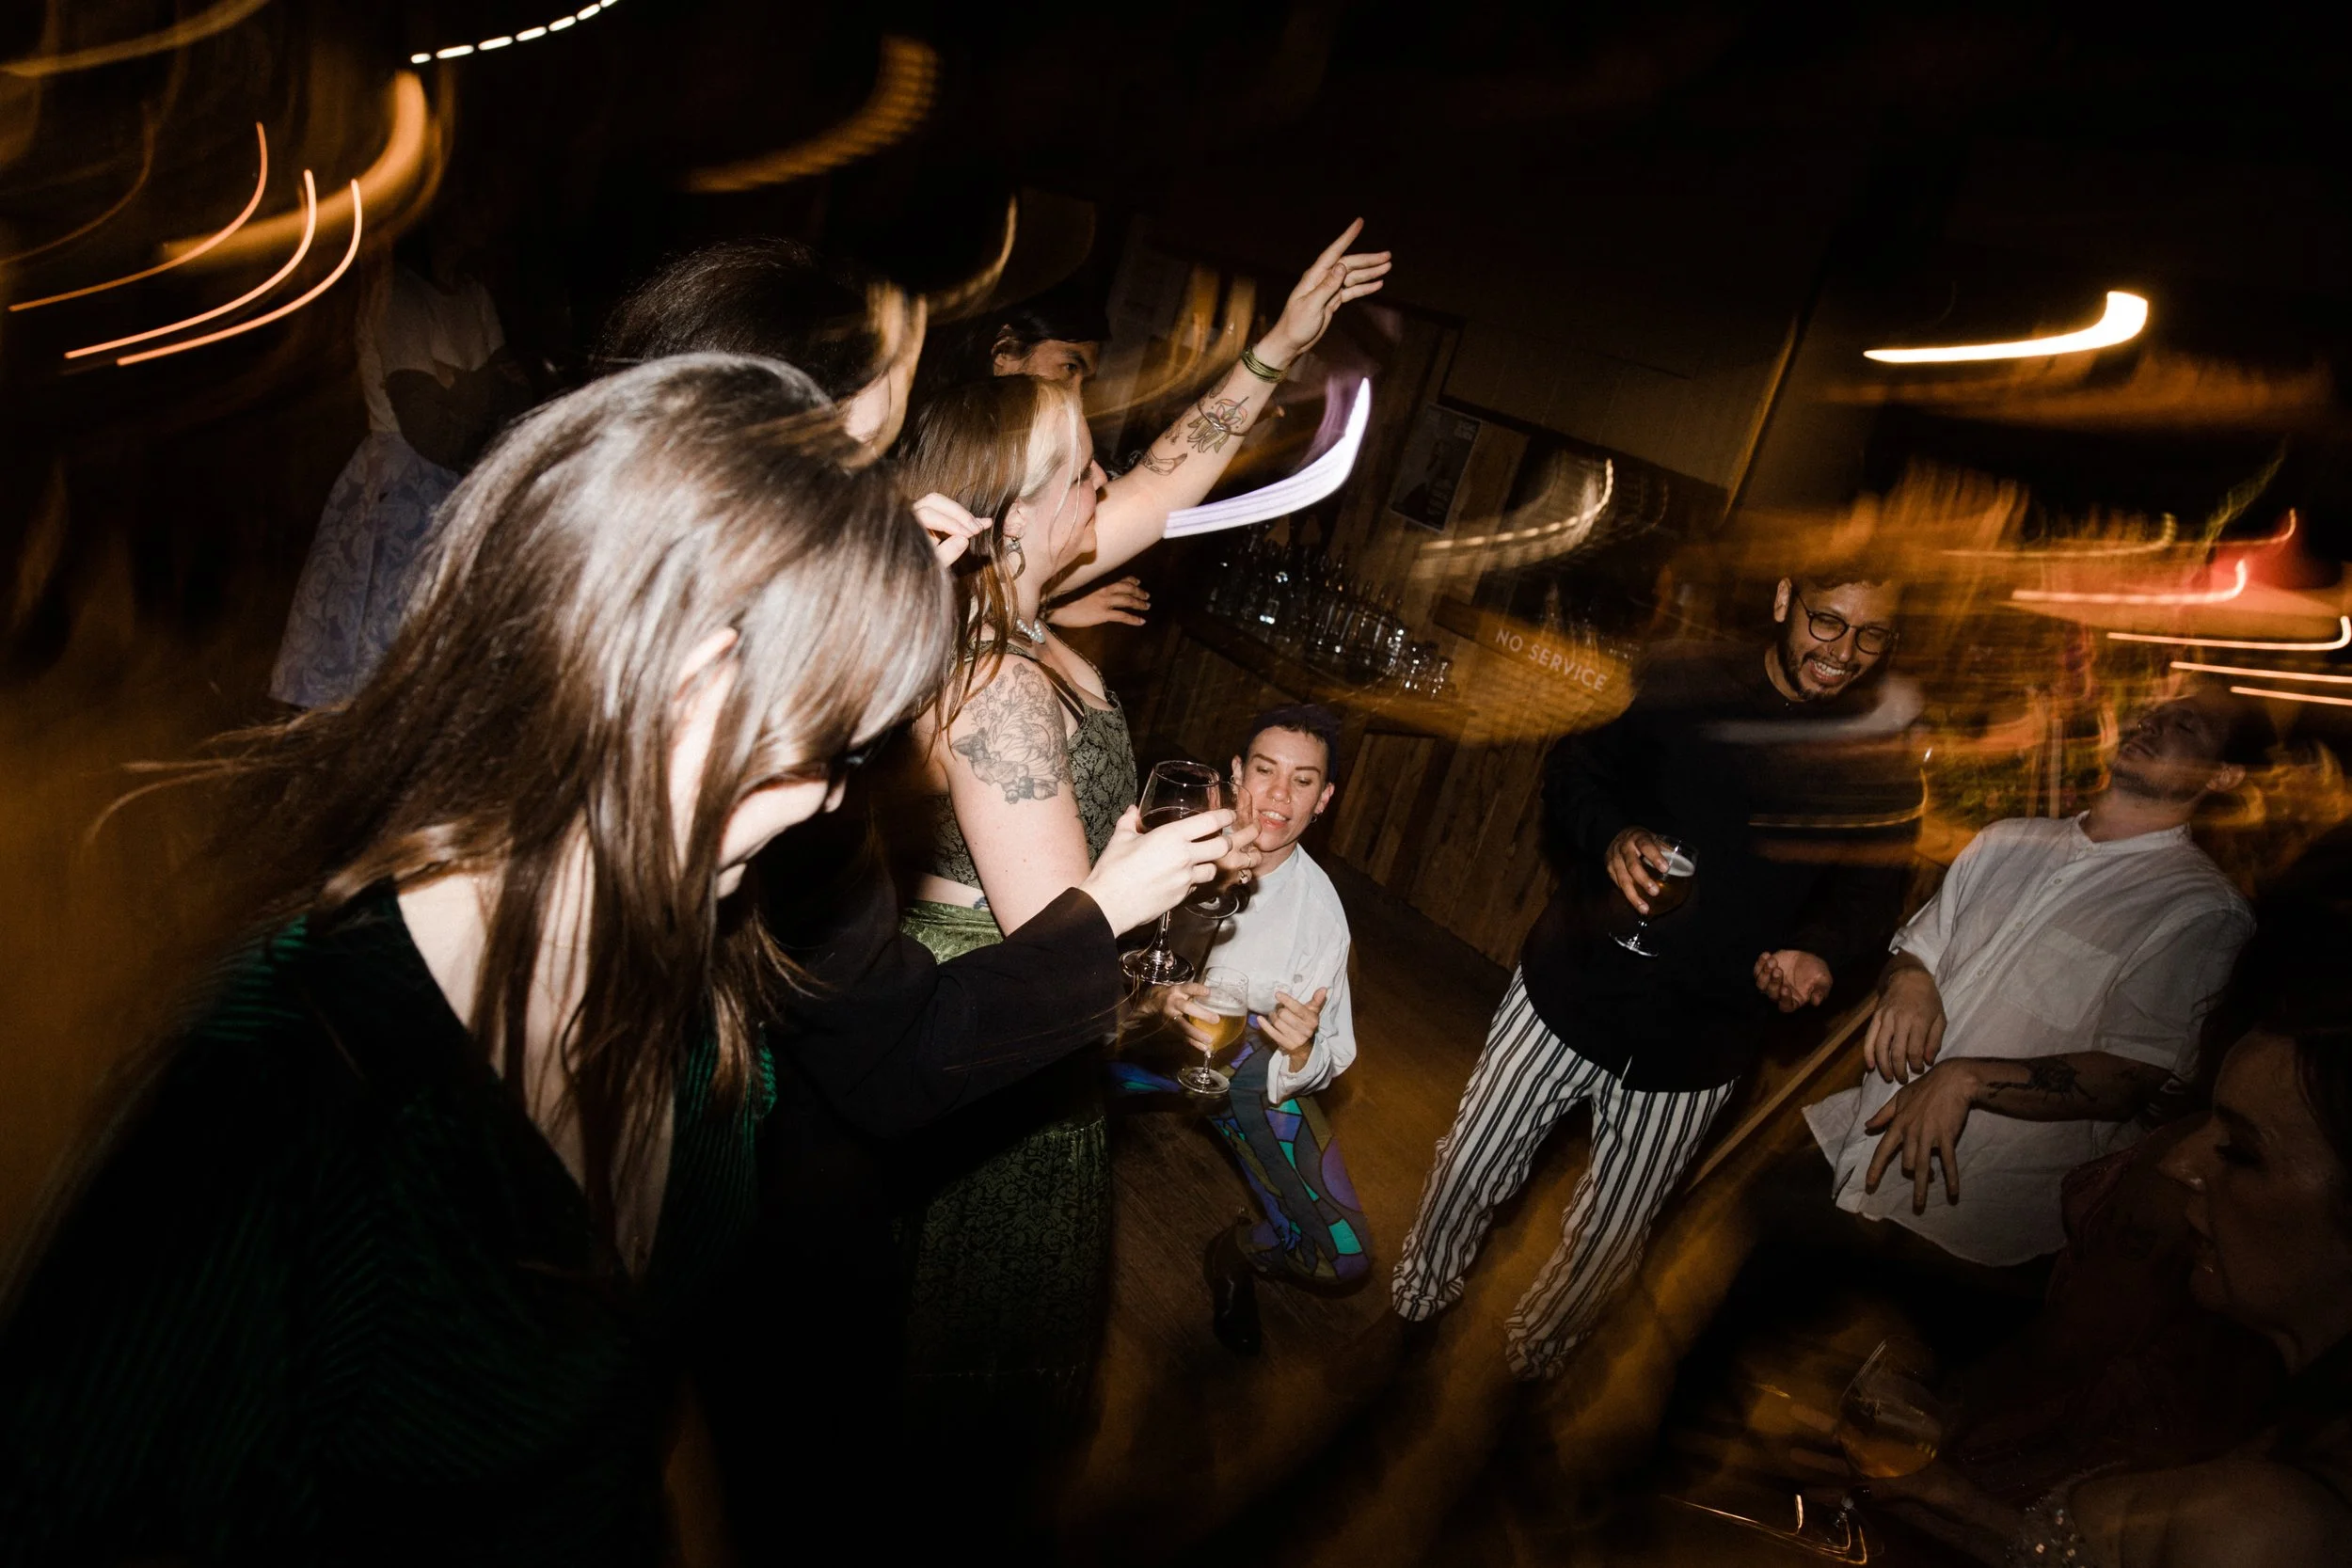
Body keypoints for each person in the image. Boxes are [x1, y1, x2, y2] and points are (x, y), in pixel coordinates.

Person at [0, 355, 951, 1563]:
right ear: (671, 674)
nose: (824, 804)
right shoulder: (285, 1092)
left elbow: (638, 1392)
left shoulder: (705, 1009)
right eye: (820, 745)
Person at [586, 245, 1238, 1561]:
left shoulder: (823, 773)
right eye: (872, 477)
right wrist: (1104, 917)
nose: (928, 528)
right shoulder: (413, 969)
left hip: (780, 1224)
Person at [1392, 562, 1921, 1380]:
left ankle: (1535, 1365)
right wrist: (1609, 835)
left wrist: (1821, 953)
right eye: (1827, 621)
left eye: (1871, 634)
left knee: (1611, 1235)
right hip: (1570, 984)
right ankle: (1418, 1305)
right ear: (1783, 598)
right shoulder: (1683, 679)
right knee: (1471, 1163)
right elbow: (1575, 770)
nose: (1844, 651)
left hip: (1702, 1039)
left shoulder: (1881, 763)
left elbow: (1867, 903)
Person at [1865, 1006, 2352, 1566]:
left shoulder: (2269, 1529)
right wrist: (1949, 1504)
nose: (2178, 1162)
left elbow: (2076, 1340)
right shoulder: (2297, 1429)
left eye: (2241, 1152)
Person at [1804, 689, 2269, 1267]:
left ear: (2223, 775)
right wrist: (1908, 980)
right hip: (1851, 1146)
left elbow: (2134, 1073)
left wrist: (1965, 1079)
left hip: (1975, 1221)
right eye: (2153, 713)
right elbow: (1915, 950)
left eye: (2186, 726)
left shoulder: (2200, 911)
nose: (2150, 724)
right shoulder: (2007, 839)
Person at [1127, 704, 1370, 1355]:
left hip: (1239, 1067)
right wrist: (1148, 1002)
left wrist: (1302, 1047)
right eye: (1265, 771)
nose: (1279, 796)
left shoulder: (1320, 915)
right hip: (1122, 1040)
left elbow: (1332, 1049)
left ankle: (1237, 1251)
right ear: (1236, 773)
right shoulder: (1166, 841)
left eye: (1303, 781)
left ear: (1324, 799)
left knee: (1343, 1257)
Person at [271, 214, 534, 707]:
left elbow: (519, 403)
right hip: (401, 498)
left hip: (468, 486)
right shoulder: (398, 295)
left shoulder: (474, 294)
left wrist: (457, 383)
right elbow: (431, 433)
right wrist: (487, 383)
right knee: (384, 672)